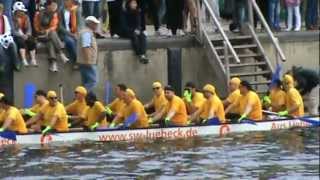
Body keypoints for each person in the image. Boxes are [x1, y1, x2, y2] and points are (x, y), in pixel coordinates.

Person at [33, 0, 69, 72]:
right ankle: (61, 54)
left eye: (55, 6)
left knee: (50, 40)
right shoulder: (38, 14)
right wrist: (41, 31)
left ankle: (53, 64)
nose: (54, 8)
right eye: (53, 6)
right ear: (48, 6)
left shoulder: (54, 14)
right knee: (52, 34)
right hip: (40, 35)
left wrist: (48, 31)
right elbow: (36, 26)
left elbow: (54, 26)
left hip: (49, 34)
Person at [77, 16, 100, 92]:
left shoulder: (86, 32)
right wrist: (88, 61)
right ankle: (80, 97)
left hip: (84, 62)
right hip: (87, 62)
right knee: (92, 81)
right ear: (90, 24)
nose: (96, 25)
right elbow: (85, 47)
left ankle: (81, 99)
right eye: (95, 24)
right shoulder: (86, 33)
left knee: (85, 82)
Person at [12, 1, 38, 67]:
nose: (22, 12)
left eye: (22, 11)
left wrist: (27, 34)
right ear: (16, 11)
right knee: (21, 41)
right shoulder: (12, 18)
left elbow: (29, 28)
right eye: (20, 11)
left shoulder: (26, 17)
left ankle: (33, 59)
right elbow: (13, 31)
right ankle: (24, 60)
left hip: (25, 34)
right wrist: (21, 35)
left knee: (32, 40)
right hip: (17, 35)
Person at [58, 0, 82, 69]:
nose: (66, 2)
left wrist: (77, 33)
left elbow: (79, 24)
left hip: (75, 32)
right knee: (70, 41)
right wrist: (71, 34)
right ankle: (77, 61)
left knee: (82, 41)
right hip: (65, 33)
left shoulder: (77, 10)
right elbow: (60, 26)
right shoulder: (61, 10)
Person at [0, 3, 21, 72]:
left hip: (5, 36)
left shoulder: (4, 18)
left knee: (13, 45)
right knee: (0, 48)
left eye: (0, 10)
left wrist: (6, 35)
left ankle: (16, 63)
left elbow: (8, 29)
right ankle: (2, 63)